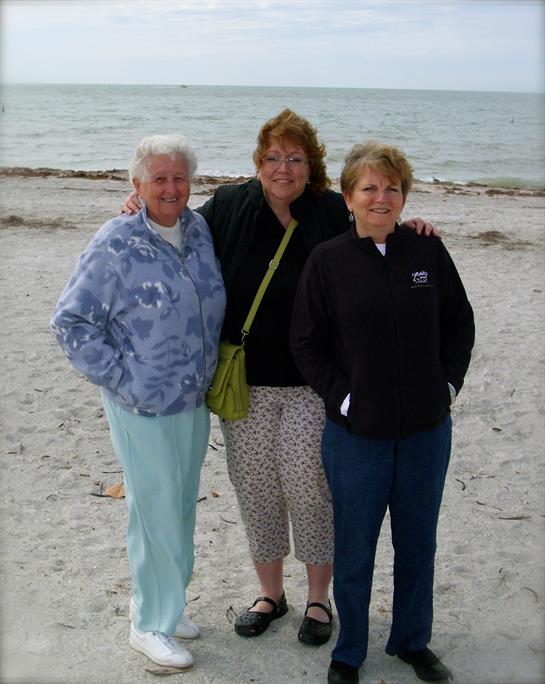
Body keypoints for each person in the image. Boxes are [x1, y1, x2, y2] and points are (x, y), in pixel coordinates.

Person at [121, 110, 438, 646]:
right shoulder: (229, 206)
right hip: (247, 380)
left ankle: (319, 599)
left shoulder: (331, 210)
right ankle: (271, 593)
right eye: (272, 157)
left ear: (310, 165)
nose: (283, 167)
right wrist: (137, 205)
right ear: (258, 162)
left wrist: (410, 228)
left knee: (310, 487)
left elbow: (375, 218)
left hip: (315, 381)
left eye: (295, 158)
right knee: (256, 487)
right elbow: (173, 218)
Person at [290, 140, 475, 683]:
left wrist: (446, 385)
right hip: (356, 437)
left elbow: (460, 323)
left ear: (403, 196)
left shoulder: (428, 252)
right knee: (355, 546)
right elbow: (307, 343)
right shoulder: (328, 261)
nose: (381, 196)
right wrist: (344, 399)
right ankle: (349, 650)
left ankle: (413, 641)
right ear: (349, 197)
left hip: (425, 432)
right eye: (369, 187)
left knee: (418, 541)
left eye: (392, 187)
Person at [51, 135, 226, 670]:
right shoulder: (116, 241)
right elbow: (71, 321)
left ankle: (167, 606)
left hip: (192, 399)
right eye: (158, 179)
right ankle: (148, 623)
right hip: (141, 406)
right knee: (154, 513)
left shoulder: (197, 229)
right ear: (137, 185)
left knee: (177, 507)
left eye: (179, 177)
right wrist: (123, 380)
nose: (170, 188)